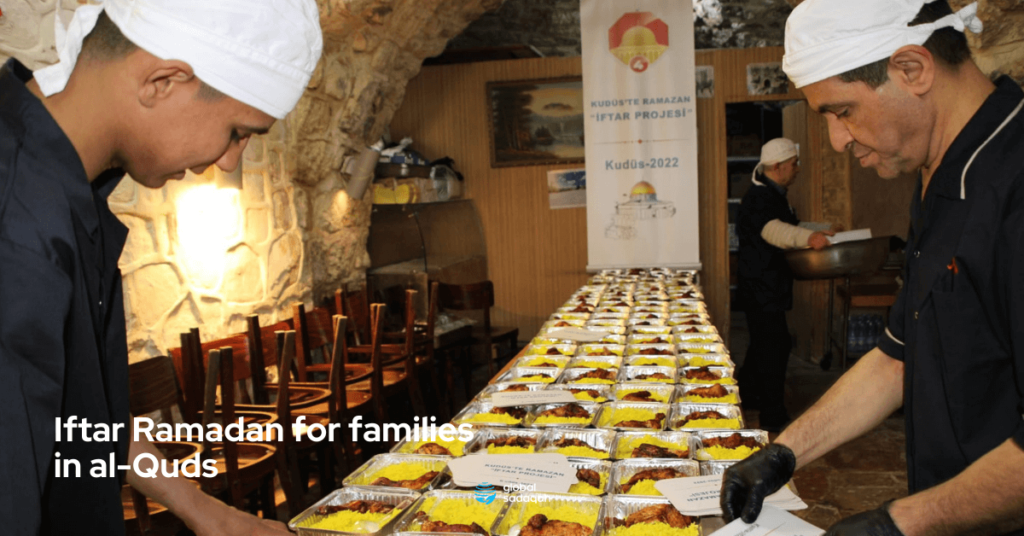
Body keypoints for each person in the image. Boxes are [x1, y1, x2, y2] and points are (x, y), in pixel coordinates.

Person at [0, 1, 322, 535]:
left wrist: (204, 511)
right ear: (163, 81)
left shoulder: (59, 186)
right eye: (238, 131)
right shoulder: (16, 225)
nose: (229, 161)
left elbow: (83, 414)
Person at [721, 1, 1024, 534]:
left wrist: (900, 523)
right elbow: (898, 357)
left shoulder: (1013, 185)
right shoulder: (935, 173)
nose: (838, 140)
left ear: (913, 69)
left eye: (842, 112)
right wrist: (784, 452)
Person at [736, 137, 836, 432]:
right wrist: (809, 240)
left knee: (764, 344)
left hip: (768, 287)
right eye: (794, 164)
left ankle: (750, 394)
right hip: (761, 288)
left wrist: (819, 230)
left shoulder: (774, 193)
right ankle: (772, 414)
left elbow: (790, 224)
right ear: (777, 167)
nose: (798, 169)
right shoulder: (759, 198)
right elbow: (775, 230)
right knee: (774, 347)